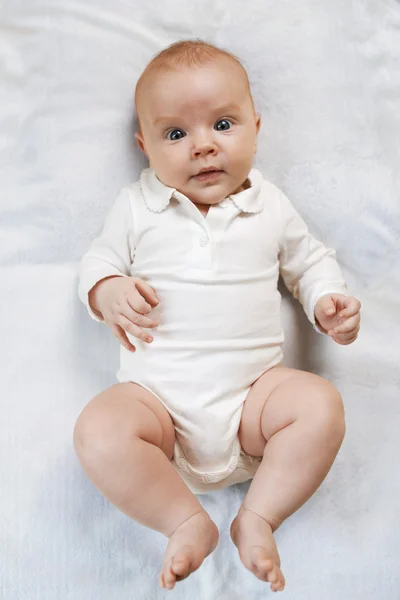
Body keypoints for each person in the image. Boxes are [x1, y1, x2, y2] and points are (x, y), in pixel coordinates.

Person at [73, 39, 361, 593]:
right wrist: (107, 290)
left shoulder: (269, 205)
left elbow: (309, 261)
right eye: (176, 134)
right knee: (99, 430)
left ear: (255, 126)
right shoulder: (138, 206)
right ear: (145, 147)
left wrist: (328, 301)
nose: (203, 146)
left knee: (321, 404)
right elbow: (98, 261)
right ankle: (184, 521)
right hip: (158, 415)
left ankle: (258, 516)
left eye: (223, 125)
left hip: (254, 406)